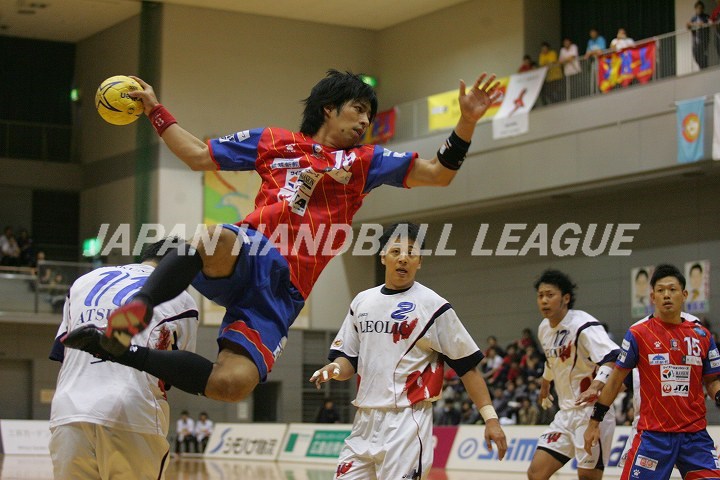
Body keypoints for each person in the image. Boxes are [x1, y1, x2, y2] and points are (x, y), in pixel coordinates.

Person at [64, 70, 502, 404]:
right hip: (256, 248)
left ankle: (120, 350)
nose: (365, 120)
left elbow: (438, 174)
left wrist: (466, 122)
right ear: (329, 108)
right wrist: (155, 111)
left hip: (285, 293)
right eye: (358, 109)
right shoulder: (274, 141)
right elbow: (197, 155)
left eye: (369, 114)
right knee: (212, 239)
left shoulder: (365, 161)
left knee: (231, 385)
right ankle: (140, 307)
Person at [309, 223, 506, 479]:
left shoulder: (434, 307)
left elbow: (467, 367)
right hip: (364, 421)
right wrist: (334, 368)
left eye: (411, 253)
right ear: (383, 256)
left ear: (419, 261)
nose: (403, 258)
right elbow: (349, 360)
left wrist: (490, 418)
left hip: (407, 423)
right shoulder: (362, 302)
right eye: (396, 251)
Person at [48, 239, 199, 480]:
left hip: (68, 411)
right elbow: (174, 371)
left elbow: (62, 351)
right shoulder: (183, 299)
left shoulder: (82, 282)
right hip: (133, 414)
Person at [583, 264, 720, 480]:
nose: (666, 295)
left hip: (695, 437)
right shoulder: (638, 334)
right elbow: (615, 381)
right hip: (654, 437)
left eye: (672, 289)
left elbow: (712, 381)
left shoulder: (701, 335)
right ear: (652, 297)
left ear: (684, 295)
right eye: (661, 290)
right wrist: (594, 422)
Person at [527, 269, 620, 480]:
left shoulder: (583, 325)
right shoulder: (544, 328)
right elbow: (552, 360)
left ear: (566, 298)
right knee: (536, 473)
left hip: (591, 413)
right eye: (540, 295)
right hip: (565, 413)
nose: (544, 300)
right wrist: (545, 384)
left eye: (550, 295)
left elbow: (613, 356)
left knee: (587, 477)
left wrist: (596, 385)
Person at [687, 1, 711, 69]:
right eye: (698, 8)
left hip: (703, 39)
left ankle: (703, 66)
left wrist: (702, 24)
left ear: (703, 9)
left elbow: (709, 22)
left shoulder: (706, 16)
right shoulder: (694, 18)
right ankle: (703, 65)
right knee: (695, 54)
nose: (699, 10)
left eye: (700, 8)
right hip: (695, 40)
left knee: (700, 52)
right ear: (695, 9)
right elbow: (688, 25)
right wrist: (695, 24)